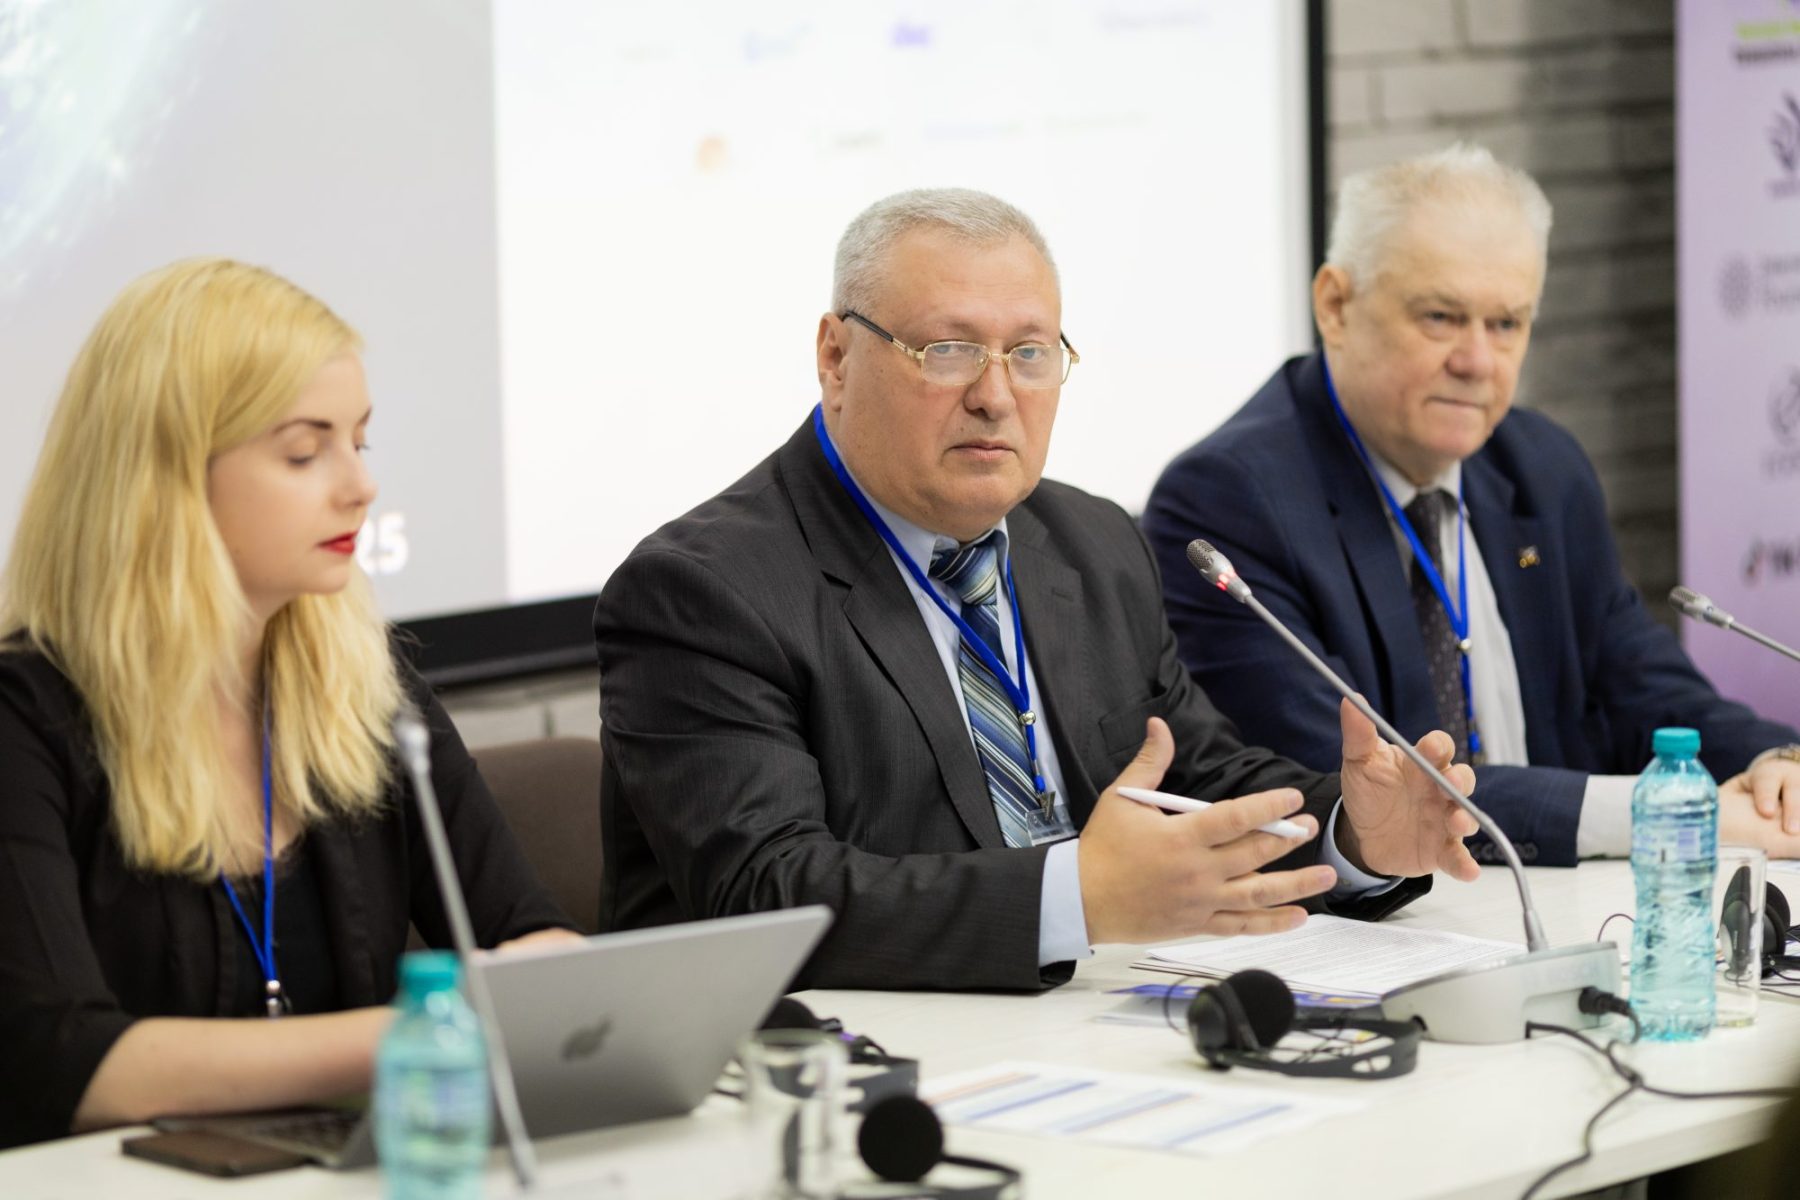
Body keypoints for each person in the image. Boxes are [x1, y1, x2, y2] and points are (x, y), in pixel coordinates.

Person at [595, 188, 1483, 993]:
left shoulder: (1090, 542)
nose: (995, 396)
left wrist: (1354, 834)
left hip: (1094, 1024)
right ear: (836, 357)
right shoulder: (705, 592)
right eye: (948, 351)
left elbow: (1201, 777)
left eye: (1029, 353)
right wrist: (1074, 900)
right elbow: (766, 895)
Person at [0, 259, 579, 1149]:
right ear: (166, 476)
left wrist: (550, 985)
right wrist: (418, 1036)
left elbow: (527, 935)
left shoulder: (366, 684)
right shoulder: (22, 719)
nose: (360, 486)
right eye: (305, 452)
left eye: (360, 443)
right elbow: (59, 1059)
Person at [1144, 144, 1800, 868]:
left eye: (1507, 324)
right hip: (1389, 914)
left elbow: (1641, 684)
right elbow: (1363, 785)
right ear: (1335, 305)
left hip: (1571, 902)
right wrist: (1670, 814)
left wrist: (1773, 765)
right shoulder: (1228, 501)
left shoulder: (1542, 467)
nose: (1478, 362)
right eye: (1441, 317)